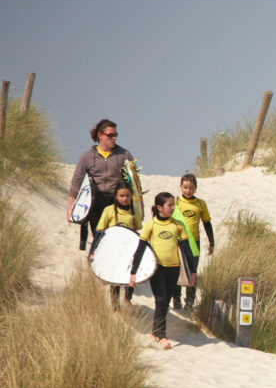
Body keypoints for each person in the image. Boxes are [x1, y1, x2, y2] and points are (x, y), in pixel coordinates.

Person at [129, 192, 196, 350]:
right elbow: (140, 249)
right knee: (160, 300)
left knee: (165, 302)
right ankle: (162, 336)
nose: (173, 208)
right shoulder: (151, 225)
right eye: (169, 205)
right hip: (157, 270)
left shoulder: (178, 225)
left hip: (174, 270)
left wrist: (193, 270)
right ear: (159, 207)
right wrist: (133, 272)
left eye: (173, 205)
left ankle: (155, 332)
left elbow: (187, 250)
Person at [66, 119, 137, 252]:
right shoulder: (87, 157)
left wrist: (139, 208)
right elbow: (76, 181)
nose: (114, 138)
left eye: (115, 135)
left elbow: (134, 183)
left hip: (117, 202)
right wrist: (70, 207)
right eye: (110, 135)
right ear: (100, 135)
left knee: (118, 239)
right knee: (100, 239)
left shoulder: (124, 155)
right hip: (96, 204)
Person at [88, 182, 141, 309]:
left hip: (128, 250)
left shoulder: (135, 212)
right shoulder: (109, 210)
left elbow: (138, 231)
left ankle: (128, 300)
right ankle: (115, 306)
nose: (124, 198)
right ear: (116, 196)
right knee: (114, 278)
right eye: (121, 196)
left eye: (127, 196)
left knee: (129, 275)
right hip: (113, 250)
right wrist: (93, 249)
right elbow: (100, 231)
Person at [171, 173, 215, 312]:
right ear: (180, 187)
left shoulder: (200, 204)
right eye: (185, 187)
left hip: (193, 242)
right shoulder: (176, 202)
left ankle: (189, 303)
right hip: (178, 242)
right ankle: (176, 300)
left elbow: (207, 223)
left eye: (191, 188)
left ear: (195, 188)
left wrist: (211, 242)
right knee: (177, 271)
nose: (188, 191)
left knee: (192, 271)